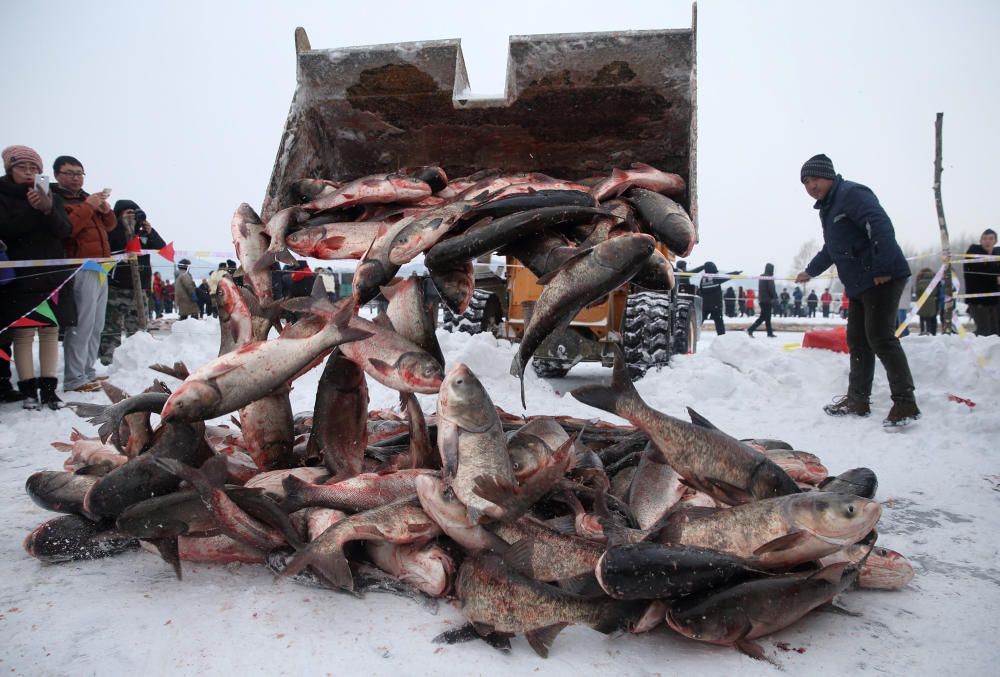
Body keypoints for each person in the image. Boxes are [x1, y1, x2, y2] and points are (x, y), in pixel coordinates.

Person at [795, 153, 919, 427]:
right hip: (860, 283)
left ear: (828, 175)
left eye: (815, 178)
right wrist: (811, 271)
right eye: (806, 182)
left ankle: (905, 402)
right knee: (858, 340)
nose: (811, 186)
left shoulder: (851, 193)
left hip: (880, 278)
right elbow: (832, 249)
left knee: (880, 337)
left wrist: (883, 267)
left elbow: (880, 226)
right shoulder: (829, 207)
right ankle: (858, 399)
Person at [0, 145, 76, 409]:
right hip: (20, 274)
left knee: (50, 331)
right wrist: (33, 211)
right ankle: (28, 389)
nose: (29, 172)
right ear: (10, 168)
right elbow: (7, 230)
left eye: (34, 168)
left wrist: (47, 208)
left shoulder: (49, 195)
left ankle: (49, 389)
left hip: (52, 272)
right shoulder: (3, 195)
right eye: (23, 167)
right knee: (23, 332)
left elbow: (65, 229)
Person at [50, 155, 115, 393]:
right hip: (78, 265)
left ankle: (87, 370)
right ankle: (74, 377)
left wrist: (105, 210)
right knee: (82, 323)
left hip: (100, 265)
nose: (76, 178)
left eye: (79, 173)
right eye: (70, 173)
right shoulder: (56, 199)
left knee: (96, 323)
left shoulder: (86, 199)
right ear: (57, 175)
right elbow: (67, 229)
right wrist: (89, 206)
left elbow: (109, 226)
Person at [99, 200, 165, 365]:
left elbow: (161, 248)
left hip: (139, 288)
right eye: (127, 212)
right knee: (111, 327)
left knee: (137, 327)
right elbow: (110, 246)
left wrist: (150, 232)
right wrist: (125, 228)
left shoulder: (143, 233)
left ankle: (137, 360)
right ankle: (108, 359)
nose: (131, 216)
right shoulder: (113, 231)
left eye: (134, 212)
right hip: (116, 287)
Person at [963, 228, 999, 336]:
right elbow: (978, 271)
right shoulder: (974, 252)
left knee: (995, 332)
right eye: (984, 239)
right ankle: (977, 351)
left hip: (995, 300)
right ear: (980, 241)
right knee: (984, 331)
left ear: (995, 241)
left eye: (990, 239)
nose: (987, 241)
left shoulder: (997, 254)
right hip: (978, 300)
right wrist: (995, 278)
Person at [696, 262, 741, 335]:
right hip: (715, 305)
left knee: (700, 321)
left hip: (705, 305)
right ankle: (721, 337)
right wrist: (736, 273)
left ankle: (693, 334)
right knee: (719, 322)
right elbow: (726, 276)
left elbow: (700, 291)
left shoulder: (703, 279)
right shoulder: (715, 277)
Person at [747, 262, 778, 337]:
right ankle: (751, 329)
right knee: (764, 317)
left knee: (767, 317)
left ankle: (769, 332)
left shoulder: (762, 277)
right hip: (767, 300)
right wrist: (775, 297)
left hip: (762, 299)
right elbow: (771, 288)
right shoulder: (769, 277)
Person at [914, 267, 938, 335]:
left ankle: (922, 331)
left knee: (922, 318)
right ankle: (931, 332)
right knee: (931, 318)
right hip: (932, 302)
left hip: (922, 302)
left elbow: (917, 292)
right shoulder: (934, 280)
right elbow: (937, 291)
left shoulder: (919, 280)